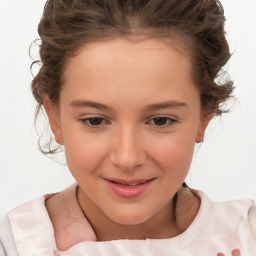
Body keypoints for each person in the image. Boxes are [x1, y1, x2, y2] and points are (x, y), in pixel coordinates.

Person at [0, 0, 255, 255]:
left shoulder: (247, 236)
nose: (127, 158)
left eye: (160, 120)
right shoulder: (14, 245)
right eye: (95, 120)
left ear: (205, 116)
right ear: (54, 116)